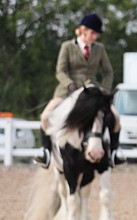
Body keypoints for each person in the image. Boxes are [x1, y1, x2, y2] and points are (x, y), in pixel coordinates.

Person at [38, 13, 119, 167]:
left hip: (92, 91)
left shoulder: (100, 49)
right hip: (67, 90)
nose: (95, 37)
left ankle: (114, 153)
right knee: (45, 116)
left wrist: (103, 91)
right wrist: (70, 85)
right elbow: (60, 71)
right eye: (93, 33)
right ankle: (46, 152)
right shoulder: (67, 46)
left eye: (97, 34)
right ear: (83, 30)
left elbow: (108, 72)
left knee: (117, 118)